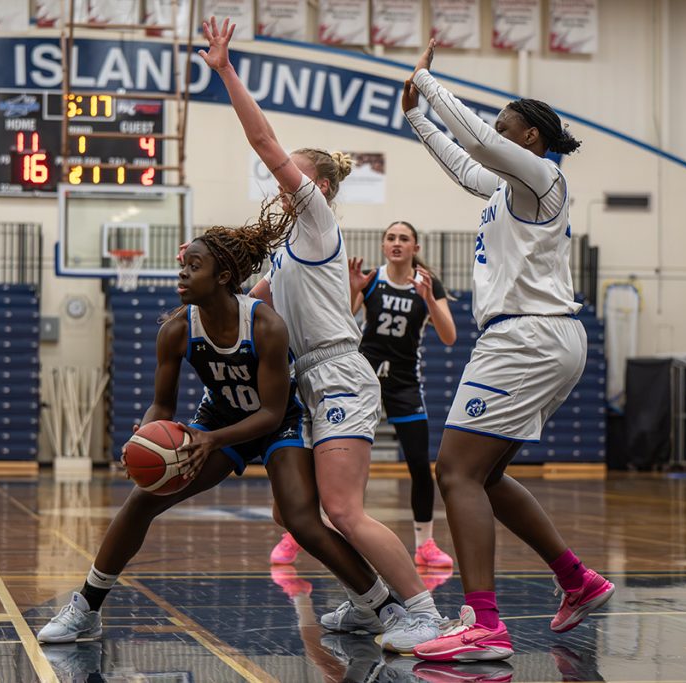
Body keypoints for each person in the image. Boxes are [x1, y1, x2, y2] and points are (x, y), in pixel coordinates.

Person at [37, 201, 396, 646]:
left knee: (301, 521)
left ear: (223, 277)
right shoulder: (175, 330)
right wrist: (146, 437)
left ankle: (380, 605)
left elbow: (268, 412)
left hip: (276, 423)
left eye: (194, 265)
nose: (182, 273)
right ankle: (87, 607)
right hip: (219, 419)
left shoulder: (265, 324)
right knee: (141, 500)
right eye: (182, 265)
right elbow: (161, 407)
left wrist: (210, 440)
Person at [199, 16, 444, 653]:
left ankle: (420, 610)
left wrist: (225, 70)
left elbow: (265, 143)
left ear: (320, 187)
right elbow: (245, 306)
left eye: (293, 176)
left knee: (343, 509)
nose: (281, 183)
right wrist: (198, 274)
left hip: (337, 371)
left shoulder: (316, 221)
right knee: (292, 512)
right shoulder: (283, 257)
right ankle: (368, 603)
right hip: (305, 379)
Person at [398, 40, 615, 662]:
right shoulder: (507, 190)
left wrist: (430, 84)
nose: (493, 135)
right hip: (538, 338)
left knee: (456, 471)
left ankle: (484, 625)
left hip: (527, 336)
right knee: (485, 474)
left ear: (533, 140)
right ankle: (578, 580)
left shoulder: (545, 178)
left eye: (504, 127)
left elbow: (475, 144)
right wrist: (417, 116)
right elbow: (467, 165)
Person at [271, 221, 458, 577]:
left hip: (403, 383)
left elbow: (448, 335)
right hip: (362, 377)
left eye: (404, 238)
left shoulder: (428, 284)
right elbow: (340, 320)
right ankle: (297, 534)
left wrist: (430, 300)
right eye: (391, 238)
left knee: (419, 464)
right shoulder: (372, 279)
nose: (397, 243)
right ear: (383, 245)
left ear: (415, 247)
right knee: (324, 460)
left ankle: (426, 544)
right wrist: (355, 291)